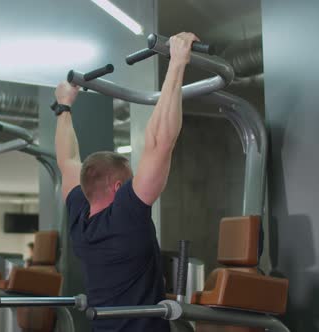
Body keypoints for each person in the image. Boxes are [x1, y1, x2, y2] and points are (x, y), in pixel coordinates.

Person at [52, 32, 199, 332]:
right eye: (131, 182)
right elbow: (159, 142)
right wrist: (177, 63)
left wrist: (63, 106)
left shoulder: (80, 221)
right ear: (119, 188)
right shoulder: (125, 214)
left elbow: (67, 161)